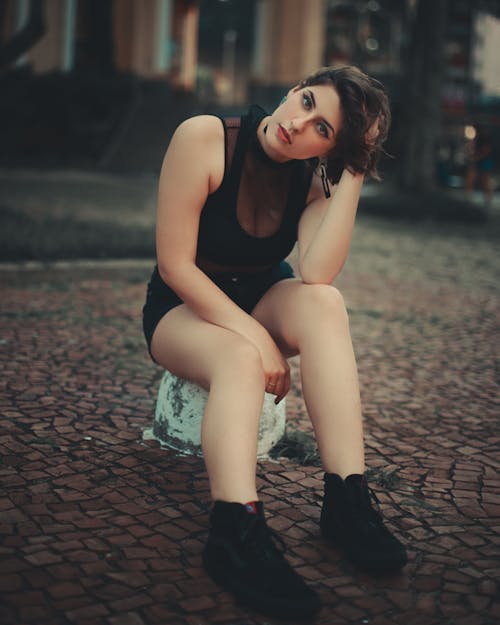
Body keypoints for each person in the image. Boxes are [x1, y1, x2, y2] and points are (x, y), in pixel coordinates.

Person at [142, 65, 407, 619]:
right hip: (183, 306)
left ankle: (347, 500)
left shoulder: (311, 182)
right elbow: (175, 266)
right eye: (307, 101)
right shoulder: (205, 137)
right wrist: (255, 337)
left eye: (324, 130)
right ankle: (234, 531)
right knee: (240, 359)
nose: (301, 123)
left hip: (258, 297)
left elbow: (316, 273)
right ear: (293, 89)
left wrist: (354, 172)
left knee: (325, 306)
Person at [465, 126, 495, 207]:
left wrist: (477, 157)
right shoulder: (476, 137)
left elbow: (486, 150)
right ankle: (468, 197)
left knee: (485, 180)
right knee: (471, 177)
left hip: (485, 161)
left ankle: (488, 199)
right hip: (478, 160)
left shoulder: (485, 137)